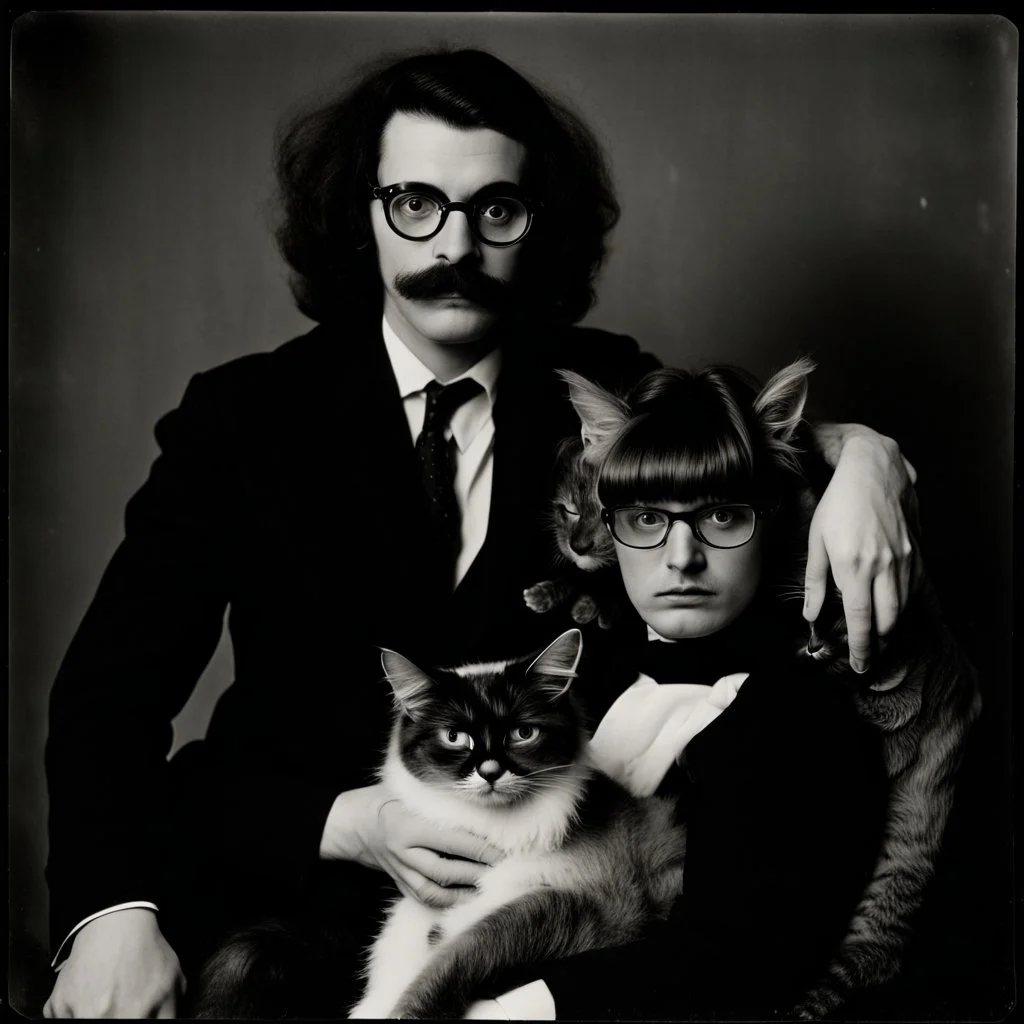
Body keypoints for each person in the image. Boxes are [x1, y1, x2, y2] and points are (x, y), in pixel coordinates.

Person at [42, 48, 915, 1019]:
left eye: (494, 209)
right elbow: (104, 703)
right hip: (284, 904)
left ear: (536, 223)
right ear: (360, 212)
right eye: (416, 202)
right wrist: (109, 912)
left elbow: (729, 444)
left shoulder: (597, 384)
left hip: (534, 924)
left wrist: (866, 459)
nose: (454, 245)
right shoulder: (243, 415)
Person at [475, 360, 889, 1019]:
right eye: (645, 518)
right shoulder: (581, 673)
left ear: (772, 517)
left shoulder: (799, 719)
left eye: (722, 517)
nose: (681, 558)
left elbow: (739, 960)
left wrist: (869, 455)